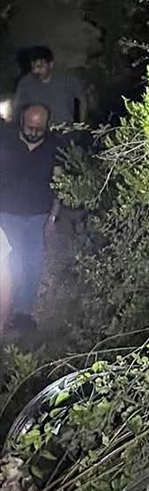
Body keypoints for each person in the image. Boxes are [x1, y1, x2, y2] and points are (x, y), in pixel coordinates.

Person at [0, 104, 62, 331]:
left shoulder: (54, 147)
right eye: (30, 126)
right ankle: (5, 314)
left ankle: (23, 313)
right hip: (5, 214)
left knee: (33, 265)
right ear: (21, 122)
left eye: (39, 127)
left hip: (37, 216)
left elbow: (59, 186)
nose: (34, 131)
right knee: (10, 266)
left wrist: (53, 217)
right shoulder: (5, 142)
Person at [14, 46, 85, 127]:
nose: (36, 71)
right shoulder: (25, 84)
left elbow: (82, 100)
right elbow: (17, 109)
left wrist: (81, 125)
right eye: (33, 67)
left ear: (50, 64)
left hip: (63, 132)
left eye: (40, 67)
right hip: (37, 132)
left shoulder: (68, 81)